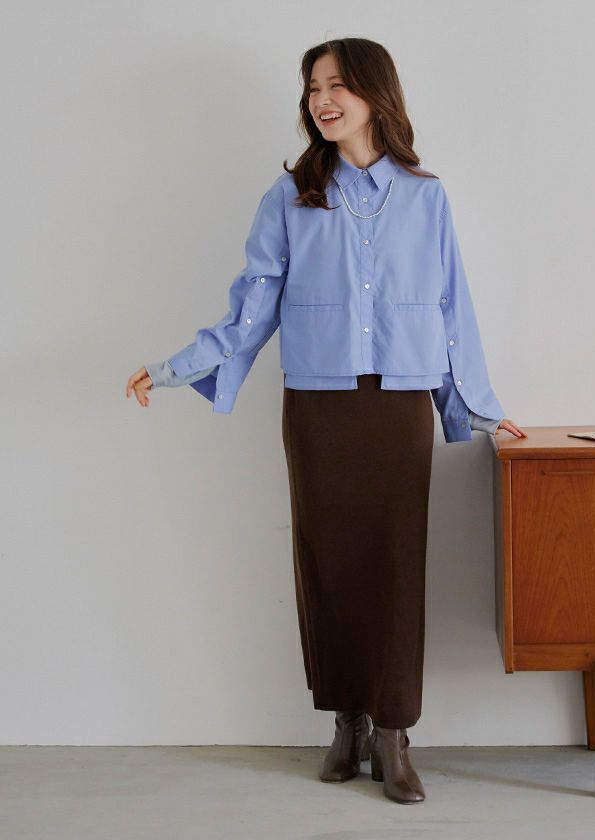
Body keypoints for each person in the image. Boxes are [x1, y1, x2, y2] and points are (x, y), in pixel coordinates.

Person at [125, 37, 526, 805]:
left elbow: (451, 311)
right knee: (327, 562)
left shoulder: (426, 197)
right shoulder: (291, 197)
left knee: (397, 564)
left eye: (337, 84)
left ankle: (394, 732)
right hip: (317, 406)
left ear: (376, 93)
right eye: (313, 87)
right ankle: (347, 719)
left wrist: (479, 408)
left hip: (398, 404)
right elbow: (252, 308)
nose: (322, 100)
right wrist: (176, 367)